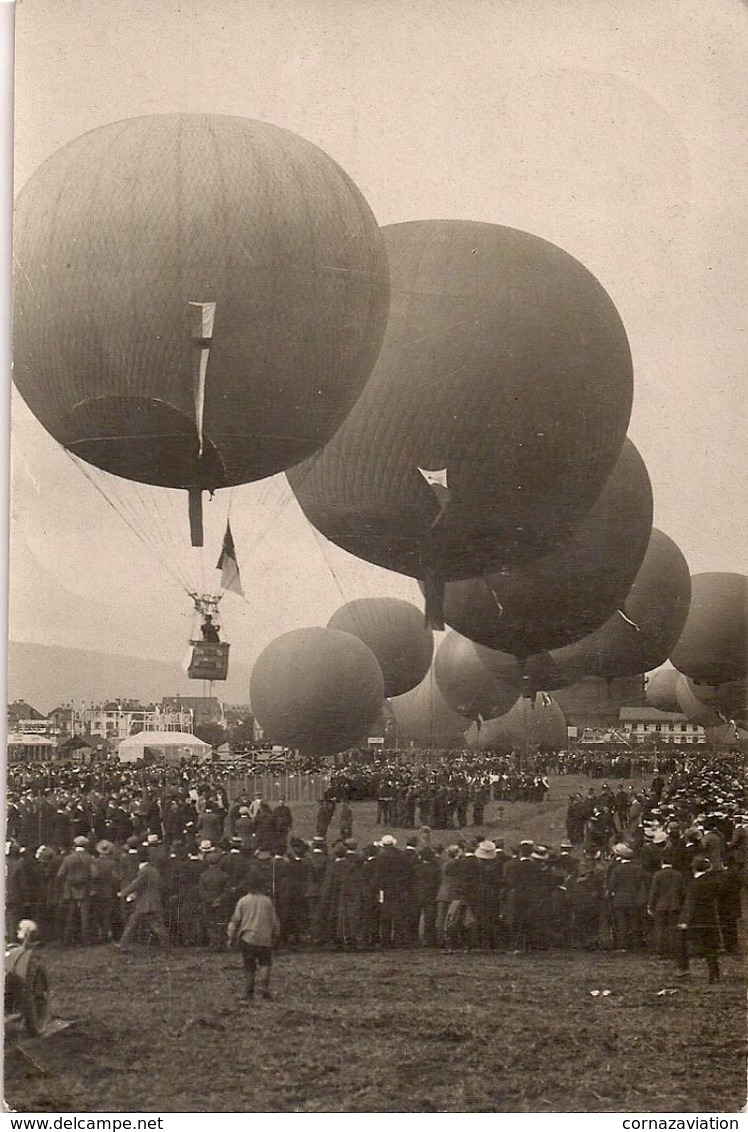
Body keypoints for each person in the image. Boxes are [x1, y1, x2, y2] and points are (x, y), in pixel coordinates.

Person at [227, 874, 280, 1002]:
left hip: (248, 938)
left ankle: (249, 992)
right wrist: (276, 934)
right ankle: (265, 990)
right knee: (266, 963)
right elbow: (274, 921)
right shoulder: (267, 901)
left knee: (249, 966)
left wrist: (231, 937)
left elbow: (235, 920)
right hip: (265, 938)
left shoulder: (243, 901)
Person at [676, 855, 723, 984]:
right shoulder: (714, 882)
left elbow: (690, 904)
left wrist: (684, 921)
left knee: (681, 943)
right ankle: (714, 974)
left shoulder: (694, 884)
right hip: (710, 919)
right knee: (711, 949)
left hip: (696, 921)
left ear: (694, 869)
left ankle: (683, 970)